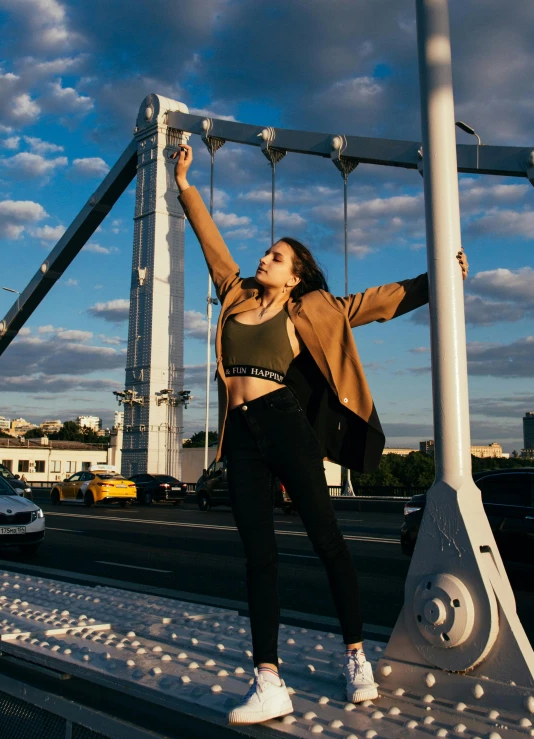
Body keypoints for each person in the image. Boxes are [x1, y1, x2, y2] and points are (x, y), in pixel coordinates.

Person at [172, 143, 468, 726]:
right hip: (243, 438)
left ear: (297, 272)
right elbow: (210, 241)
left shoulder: (314, 308)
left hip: (286, 424)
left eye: (277, 256)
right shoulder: (235, 295)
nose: (265, 257)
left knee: (327, 542)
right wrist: (184, 184)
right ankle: (268, 681)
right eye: (266, 252)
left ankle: (356, 657)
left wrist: (435, 282)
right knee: (260, 557)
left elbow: (375, 303)